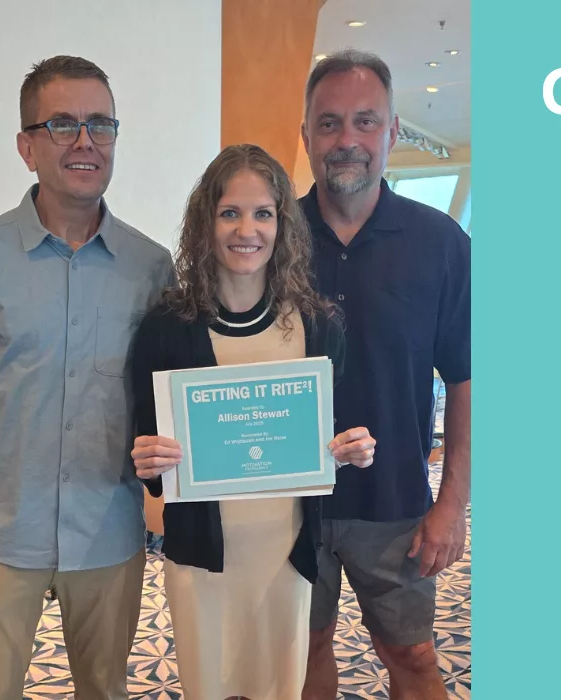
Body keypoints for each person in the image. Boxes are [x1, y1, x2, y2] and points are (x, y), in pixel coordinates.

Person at [0, 56, 173, 699]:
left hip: (108, 532)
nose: (85, 142)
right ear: (27, 147)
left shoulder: (151, 267)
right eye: (63, 124)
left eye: (100, 124)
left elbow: (163, 403)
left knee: (105, 690)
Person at [127, 143, 378, 699]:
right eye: (230, 213)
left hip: (283, 556)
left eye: (263, 213)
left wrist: (353, 449)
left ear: (282, 224)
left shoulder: (318, 326)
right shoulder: (166, 328)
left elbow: (334, 435)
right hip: (201, 559)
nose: (247, 230)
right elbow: (146, 453)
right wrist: (147, 460)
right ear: (206, 223)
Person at [298, 50, 472, 700]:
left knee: (413, 656)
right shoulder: (273, 238)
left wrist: (451, 504)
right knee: (305, 648)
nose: (347, 139)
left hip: (395, 502)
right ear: (306, 134)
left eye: (365, 121)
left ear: (392, 131)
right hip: (291, 500)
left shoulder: (441, 243)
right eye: (329, 123)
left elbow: (468, 377)